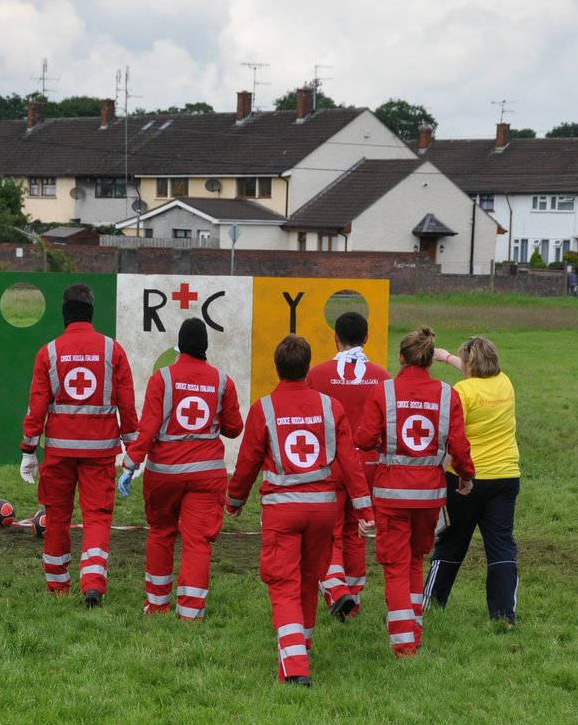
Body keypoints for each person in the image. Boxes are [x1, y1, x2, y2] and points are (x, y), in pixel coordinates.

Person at [228, 335, 374, 686]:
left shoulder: (264, 409)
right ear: (307, 367)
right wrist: (365, 507)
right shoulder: (330, 407)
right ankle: (302, 646)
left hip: (283, 509)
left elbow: (246, 462)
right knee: (309, 581)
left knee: (283, 585)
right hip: (324, 510)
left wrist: (234, 501)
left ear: (277, 368)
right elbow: (349, 462)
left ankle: (294, 668)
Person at [354, 326, 474, 656]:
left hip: (392, 495)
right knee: (416, 560)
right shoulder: (448, 395)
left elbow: (363, 440)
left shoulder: (384, 392)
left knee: (395, 566)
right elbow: (460, 447)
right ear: (430, 360)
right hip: (431, 496)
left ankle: (403, 643)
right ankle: (414, 629)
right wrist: (466, 477)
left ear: (401, 358)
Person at [20, 283, 139, 607]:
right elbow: (127, 405)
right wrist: (132, 448)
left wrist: (29, 449)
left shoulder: (49, 352)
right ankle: (93, 584)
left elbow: (36, 405)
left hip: (58, 451)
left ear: (64, 313)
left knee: (56, 515)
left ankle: (58, 586)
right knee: (98, 516)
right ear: (91, 311)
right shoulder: (112, 350)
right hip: (100, 452)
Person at [117, 318, 244, 620]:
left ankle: (157, 605)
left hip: (164, 473)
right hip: (206, 475)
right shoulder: (223, 381)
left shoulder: (162, 379)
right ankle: (190, 612)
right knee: (197, 542)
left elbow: (147, 429)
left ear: (179, 346)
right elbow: (235, 428)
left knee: (161, 532)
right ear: (205, 347)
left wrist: (130, 465)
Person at [428, 336, 520, 626]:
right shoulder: (505, 382)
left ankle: (431, 604)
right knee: (502, 546)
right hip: (506, 477)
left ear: (469, 364)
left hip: (466, 480)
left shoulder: (462, 391)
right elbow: (474, 375)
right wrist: (446, 357)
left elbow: (452, 437)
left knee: (452, 542)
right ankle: (504, 614)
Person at [307, 310, 391, 622]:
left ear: (335, 337)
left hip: (329, 465)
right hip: (367, 465)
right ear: (367, 338)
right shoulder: (382, 376)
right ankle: (352, 603)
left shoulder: (317, 374)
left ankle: (336, 590)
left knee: (331, 533)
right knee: (358, 533)